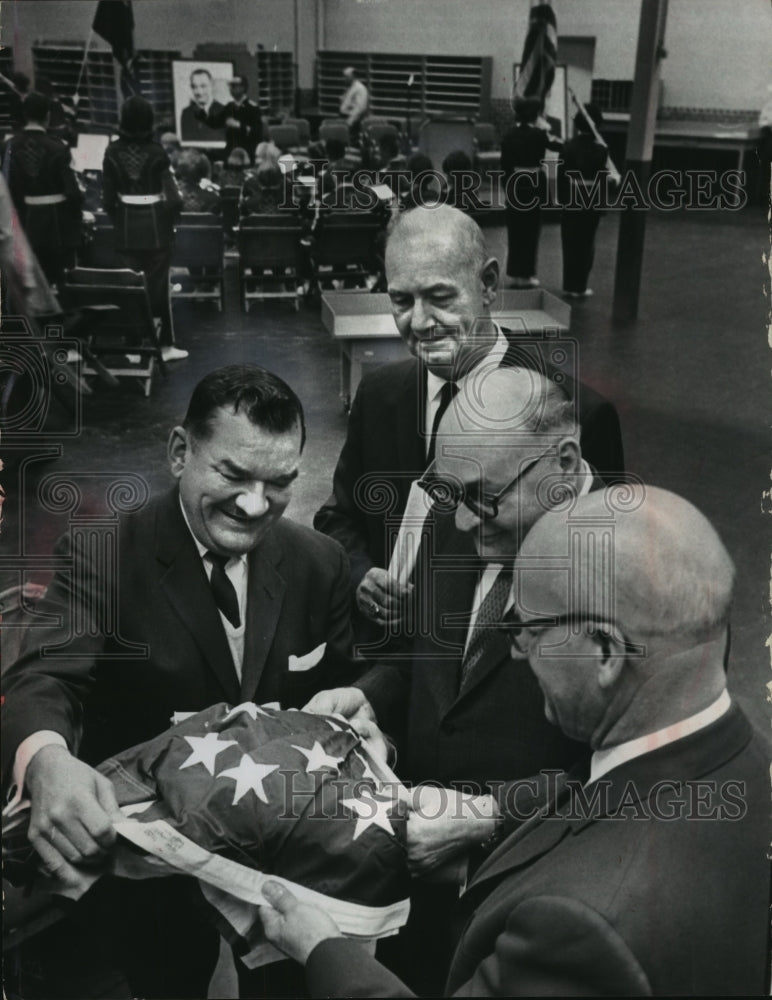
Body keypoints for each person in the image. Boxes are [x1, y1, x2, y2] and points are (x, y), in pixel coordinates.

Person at [258, 485, 770, 997]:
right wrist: (484, 820)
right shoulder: (746, 763)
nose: (519, 652)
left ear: (607, 652)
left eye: (526, 629)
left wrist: (323, 949)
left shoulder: (578, 925)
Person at [1, 364, 357, 999]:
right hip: (152, 874)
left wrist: (363, 706)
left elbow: (356, 678)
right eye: (232, 475)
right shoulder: (102, 553)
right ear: (178, 453)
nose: (255, 504)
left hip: (280, 866)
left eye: (279, 482)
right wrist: (46, 758)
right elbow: (46, 675)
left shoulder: (319, 562)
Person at [307, 367, 599, 992]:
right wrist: (369, 697)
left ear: (564, 463)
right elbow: (423, 654)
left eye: (484, 499)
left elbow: (637, 777)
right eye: (452, 495)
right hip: (413, 897)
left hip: (535, 910)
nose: (464, 521)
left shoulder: (636, 575)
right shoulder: (460, 514)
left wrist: (491, 816)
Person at [313, 205, 624, 642]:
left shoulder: (579, 415)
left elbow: (593, 569)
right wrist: (362, 575)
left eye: (440, 297)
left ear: (488, 284)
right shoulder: (380, 394)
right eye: (401, 300)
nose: (419, 322)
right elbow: (339, 516)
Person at [102, 95, 186, 361]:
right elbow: (174, 199)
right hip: (157, 230)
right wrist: (170, 222)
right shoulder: (157, 151)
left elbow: (107, 200)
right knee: (158, 289)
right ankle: (164, 346)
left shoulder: (111, 151)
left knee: (130, 289)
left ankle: (134, 346)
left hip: (125, 229)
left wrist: (120, 219)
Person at [4, 91, 83, 286]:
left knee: (26, 282)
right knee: (55, 280)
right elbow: (73, 193)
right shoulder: (59, 147)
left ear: (24, 115)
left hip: (20, 222)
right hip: (55, 225)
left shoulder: (7, 146)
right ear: (47, 116)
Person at [500, 96, 562, 288]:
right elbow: (560, 145)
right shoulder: (539, 134)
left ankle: (515, 274)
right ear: (535, 116)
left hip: (515, 184)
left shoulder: (508, 135)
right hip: (534, 186)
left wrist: (507, 187)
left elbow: (505, 166)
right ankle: (527, 274)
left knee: (515, 232)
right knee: (531, 232)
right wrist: (547, 128)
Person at [559, 102, 613, 299]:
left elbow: (561, 177)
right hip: (591, 201)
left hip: (571, 199)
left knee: (569, 242)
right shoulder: (601, 150)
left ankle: (568, 285)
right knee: (586, 243)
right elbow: (603, 180)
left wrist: (562, 201)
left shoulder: (567, 147)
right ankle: (580, 286)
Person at [200, 74, 263, 162]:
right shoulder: (229, 107)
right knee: (206, 154)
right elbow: (215, 123)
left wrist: (239, 125)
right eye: (230, 86)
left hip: (246, 151)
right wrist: (202, 112)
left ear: (243, 88)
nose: (231, 89)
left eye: (234, 86)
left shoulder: (252, 108)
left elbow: (257, 133)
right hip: (230, 150)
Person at [179, 67, 226, 143]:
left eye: (203, 86)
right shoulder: (186, 113)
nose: (199, 92)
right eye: (194, 87)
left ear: (211, 85)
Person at [339, 66, 369, 142]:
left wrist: (349, 122)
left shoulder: (360, 88)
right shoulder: (350, 87)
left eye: (346, 77)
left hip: (354, 121)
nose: (344, 79)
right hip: (346, 118)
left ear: (353, 76)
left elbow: (360, 108)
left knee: (352, 141)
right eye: (344, 77)